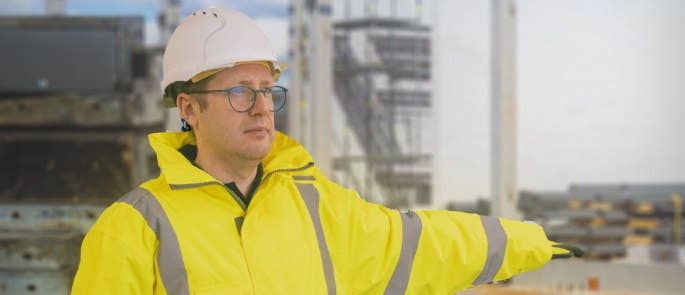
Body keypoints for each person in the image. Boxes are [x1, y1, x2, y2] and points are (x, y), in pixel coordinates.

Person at [71, 7, 579, 295]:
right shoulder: (133, 229)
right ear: (189, 107)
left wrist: (530, 241)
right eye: (240, 91)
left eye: (268, 90)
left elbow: (427, 242)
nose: (262, 108)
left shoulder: (318, 209)